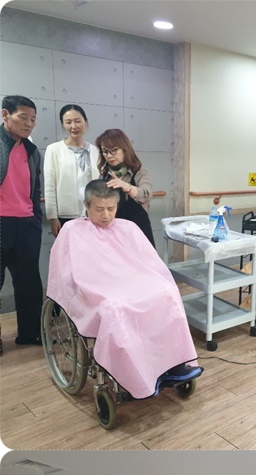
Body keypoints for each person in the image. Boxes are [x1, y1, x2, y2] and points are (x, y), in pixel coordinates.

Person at [45, 179, 199, 401]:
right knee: (114, 307)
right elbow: (63, 272)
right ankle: (129, 371)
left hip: (133, 282)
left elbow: (149, 263)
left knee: (167, 292)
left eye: (111, 208)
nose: (106, 215)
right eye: (99, 209)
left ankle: (173, 362)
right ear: (86, 205)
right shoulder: (72, 230)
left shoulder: (128, 228)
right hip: (96, 289)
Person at [0, 94, 43, 350]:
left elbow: (35, 189)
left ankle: (30, 332)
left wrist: (35, 218)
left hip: (26, 224)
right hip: (1, 223)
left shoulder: (32, 151)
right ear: (5, 114)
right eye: (23, 117)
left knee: (29, 283)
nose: (29, 124)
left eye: (33, 119)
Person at [43, 105, 100, 234]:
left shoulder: (95, 151)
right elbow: (50, 186)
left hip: (92, 213)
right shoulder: (54, 150)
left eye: (78, 121)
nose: (73, 126)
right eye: (68, 122)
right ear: (63, 124)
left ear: (86, 122)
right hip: (65, 214)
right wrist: (53, 217)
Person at [96, 128, 154, 244]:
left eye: (114, 150)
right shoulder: (103, 176)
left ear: (125, 149)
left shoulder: (139, 173)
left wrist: (128, 187)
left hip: (137, 233)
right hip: (113, 234)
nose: (109, 155)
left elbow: (146, 195)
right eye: (105, 151)